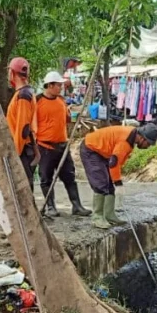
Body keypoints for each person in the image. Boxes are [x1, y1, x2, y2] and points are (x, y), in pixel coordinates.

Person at [80, 123, 157, 229]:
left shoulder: (131, 139)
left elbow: (118, 162)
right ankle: (97, 217)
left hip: (102, 152)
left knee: (108, 184)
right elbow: (113, 163)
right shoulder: (125, 141)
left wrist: (115, 181)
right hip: (91, 148)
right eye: (148, 143)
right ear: (142, 138)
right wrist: (118, 183)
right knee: (101, 183)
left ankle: (109, 214)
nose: (148, 146)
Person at [36, 71, 91, 217]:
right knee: (46, 178)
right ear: (50, 85)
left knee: (69, 176)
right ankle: (51, 207)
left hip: (62, 145)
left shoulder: (61, 101)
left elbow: (66, 118)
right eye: (58, 85)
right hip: (45, 146)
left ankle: (76, 205)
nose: (61, 87)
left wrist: (75, 117)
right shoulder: (37, 102)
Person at [6, 57, 40, 191]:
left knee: (24, 188)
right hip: (26, 148)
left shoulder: (23, 95)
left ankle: (29, 212)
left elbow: (23, 128)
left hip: (24, 149)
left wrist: (16, 153)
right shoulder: (24, 93)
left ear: (12, 73)